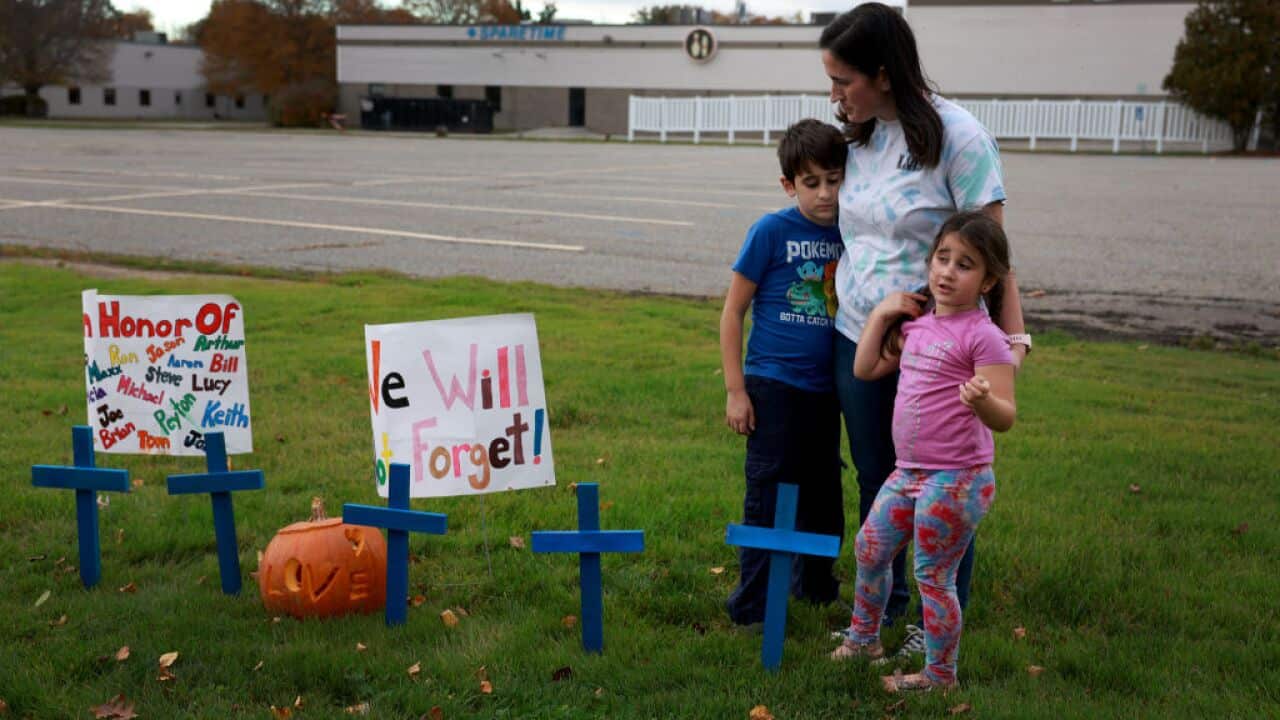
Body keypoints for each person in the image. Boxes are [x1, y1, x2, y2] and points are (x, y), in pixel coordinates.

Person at [818, 2, 1031, 659]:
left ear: (882, 74)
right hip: (858, 338)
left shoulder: (958, 137)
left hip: (937, 354)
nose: (834, 95)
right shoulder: (863, 135)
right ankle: (880, 618)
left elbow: (994, 251)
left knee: (943, 485)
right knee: (879, 480)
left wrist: (1012, 344)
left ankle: (930, 625)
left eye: (842, 81)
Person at [831, 211, 1017, 692]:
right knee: (870, 548)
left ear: (988, 279)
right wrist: (880, 314)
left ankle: (939, 676)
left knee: (933, 576)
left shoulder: (984, 336)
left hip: (957, 477)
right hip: (909, 472)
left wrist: (983, 401)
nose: (947, 272)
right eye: (942, 258)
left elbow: (1007, 415)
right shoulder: (918, 325)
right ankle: (864, 640)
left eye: (965, 264)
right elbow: (865, 367)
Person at [720, 119, 848, 625]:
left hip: (827, 391)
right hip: (773, 386)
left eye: (834, 180)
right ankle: (750, 604)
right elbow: (733, 312)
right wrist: (736, 390)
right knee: (769, 495)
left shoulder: (850, 233)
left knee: (824, 496)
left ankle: (815, 588)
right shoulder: (770, 232)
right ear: (788, 184)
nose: (824, 194)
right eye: (811, 182)